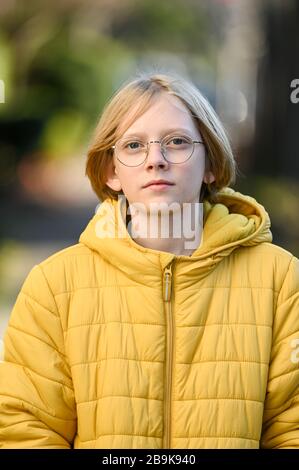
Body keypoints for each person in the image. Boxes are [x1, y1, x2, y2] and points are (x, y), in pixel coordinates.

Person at [0, 71, 298, 449]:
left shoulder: (280, 280)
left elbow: (292, 429)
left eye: (176, 142)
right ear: (111, 171)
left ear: (210, 162)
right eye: (134, 146)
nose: (156, 159)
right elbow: (25, 430)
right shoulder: (54, 287)